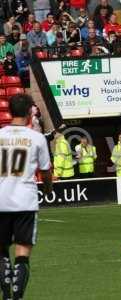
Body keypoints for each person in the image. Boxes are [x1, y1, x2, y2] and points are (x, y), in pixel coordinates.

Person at [0, 94, 52, 300]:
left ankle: (5, 286)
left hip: (1, 200)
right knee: (22, 252)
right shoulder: (37, 138)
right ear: (30, 111)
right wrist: (48, 189)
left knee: (1, 250)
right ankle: (16, 295)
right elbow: (46, 170)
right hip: (25, 201)